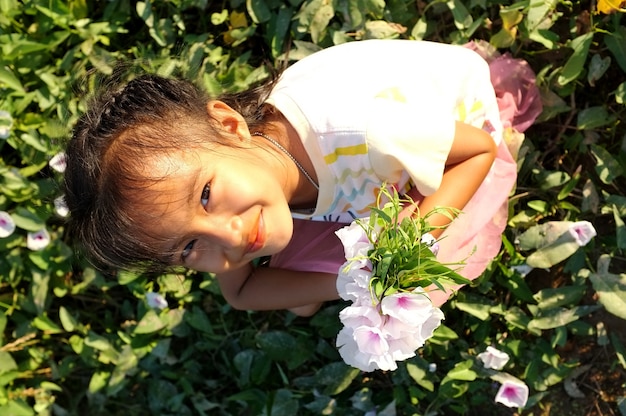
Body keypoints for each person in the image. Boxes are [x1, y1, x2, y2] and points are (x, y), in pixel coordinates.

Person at [64, 39, 541, 316]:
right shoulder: (227, 195)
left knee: (426, 244)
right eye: (187, 249)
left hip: (445, 131)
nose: (227, 241)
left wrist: (414, 238)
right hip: (348, 176)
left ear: (230, 127)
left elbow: (474, 152)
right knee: (314, 280)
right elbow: (244, 293)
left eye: (206, 196)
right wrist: (353, 281)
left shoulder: (365, 133)